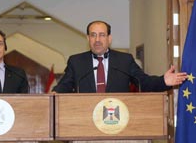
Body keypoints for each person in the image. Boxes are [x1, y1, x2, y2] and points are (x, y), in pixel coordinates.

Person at [53, 20, 187, 93]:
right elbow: (64, 85)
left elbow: (144, 82)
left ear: (109, 38)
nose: (97, 39)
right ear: (88, 38)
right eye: (93, 35)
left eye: (102, 35)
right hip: (85, 120)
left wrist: (163, 81)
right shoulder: (76, 62)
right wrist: (54, 94)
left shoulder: (124, 60)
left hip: (118, 119)